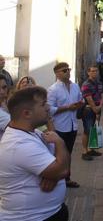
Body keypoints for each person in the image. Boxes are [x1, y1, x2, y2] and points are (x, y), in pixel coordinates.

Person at [0, 87, 70, 221]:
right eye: (43, 104)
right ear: (27, 114)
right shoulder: (19, 144)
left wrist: (53, 175)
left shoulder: (34, 133)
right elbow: (63, 169)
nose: (48, 108)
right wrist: (60, 143)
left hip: (47, 213)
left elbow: (59, 163)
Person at [46, 62, 84, 187]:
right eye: (64, 70)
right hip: (60, 126)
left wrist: (79, 104)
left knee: (69, 153)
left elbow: (80, 100)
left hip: (72, 125)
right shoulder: (53, 89)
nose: (67, 72)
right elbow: (49, 109)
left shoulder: (75, 86)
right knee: (59, 154)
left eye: (68, 69)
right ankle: (58, 178)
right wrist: (67, 107)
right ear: (57, 74)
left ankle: (66, 178)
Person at [81, 66, 103, 160]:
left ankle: (92, 149)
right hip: (88, 110)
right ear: (88, 73)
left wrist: (100, 107)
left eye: (96, 71)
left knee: (94, 129)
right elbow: (88, 98)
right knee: (87, 130)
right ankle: (84, 151)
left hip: (97, 109)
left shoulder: (99, 83)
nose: (95, 72)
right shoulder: (86, 84)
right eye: (92, 71)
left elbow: (102, 95)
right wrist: (95, 109)